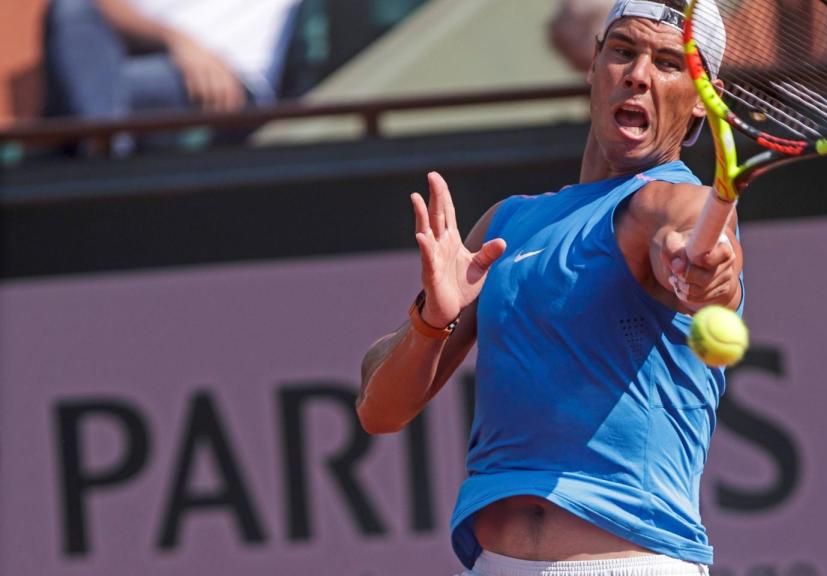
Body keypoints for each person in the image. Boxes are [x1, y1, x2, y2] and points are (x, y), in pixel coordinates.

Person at [358, 1, 742, 574]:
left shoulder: (672, 201)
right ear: (593, 66)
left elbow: (692, 252)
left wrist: (708, 272)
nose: (637, 73)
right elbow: (379, 411)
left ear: (699, 101)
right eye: (622, 51)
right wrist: (430, 321)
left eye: (667, 62)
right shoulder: (508, 224)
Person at [43, 0, 299, 150]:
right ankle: (105, 158)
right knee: (72, 7)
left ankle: (101, 160)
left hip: (229, 83)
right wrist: (176, 41)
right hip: (123, 70)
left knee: (85, 102)